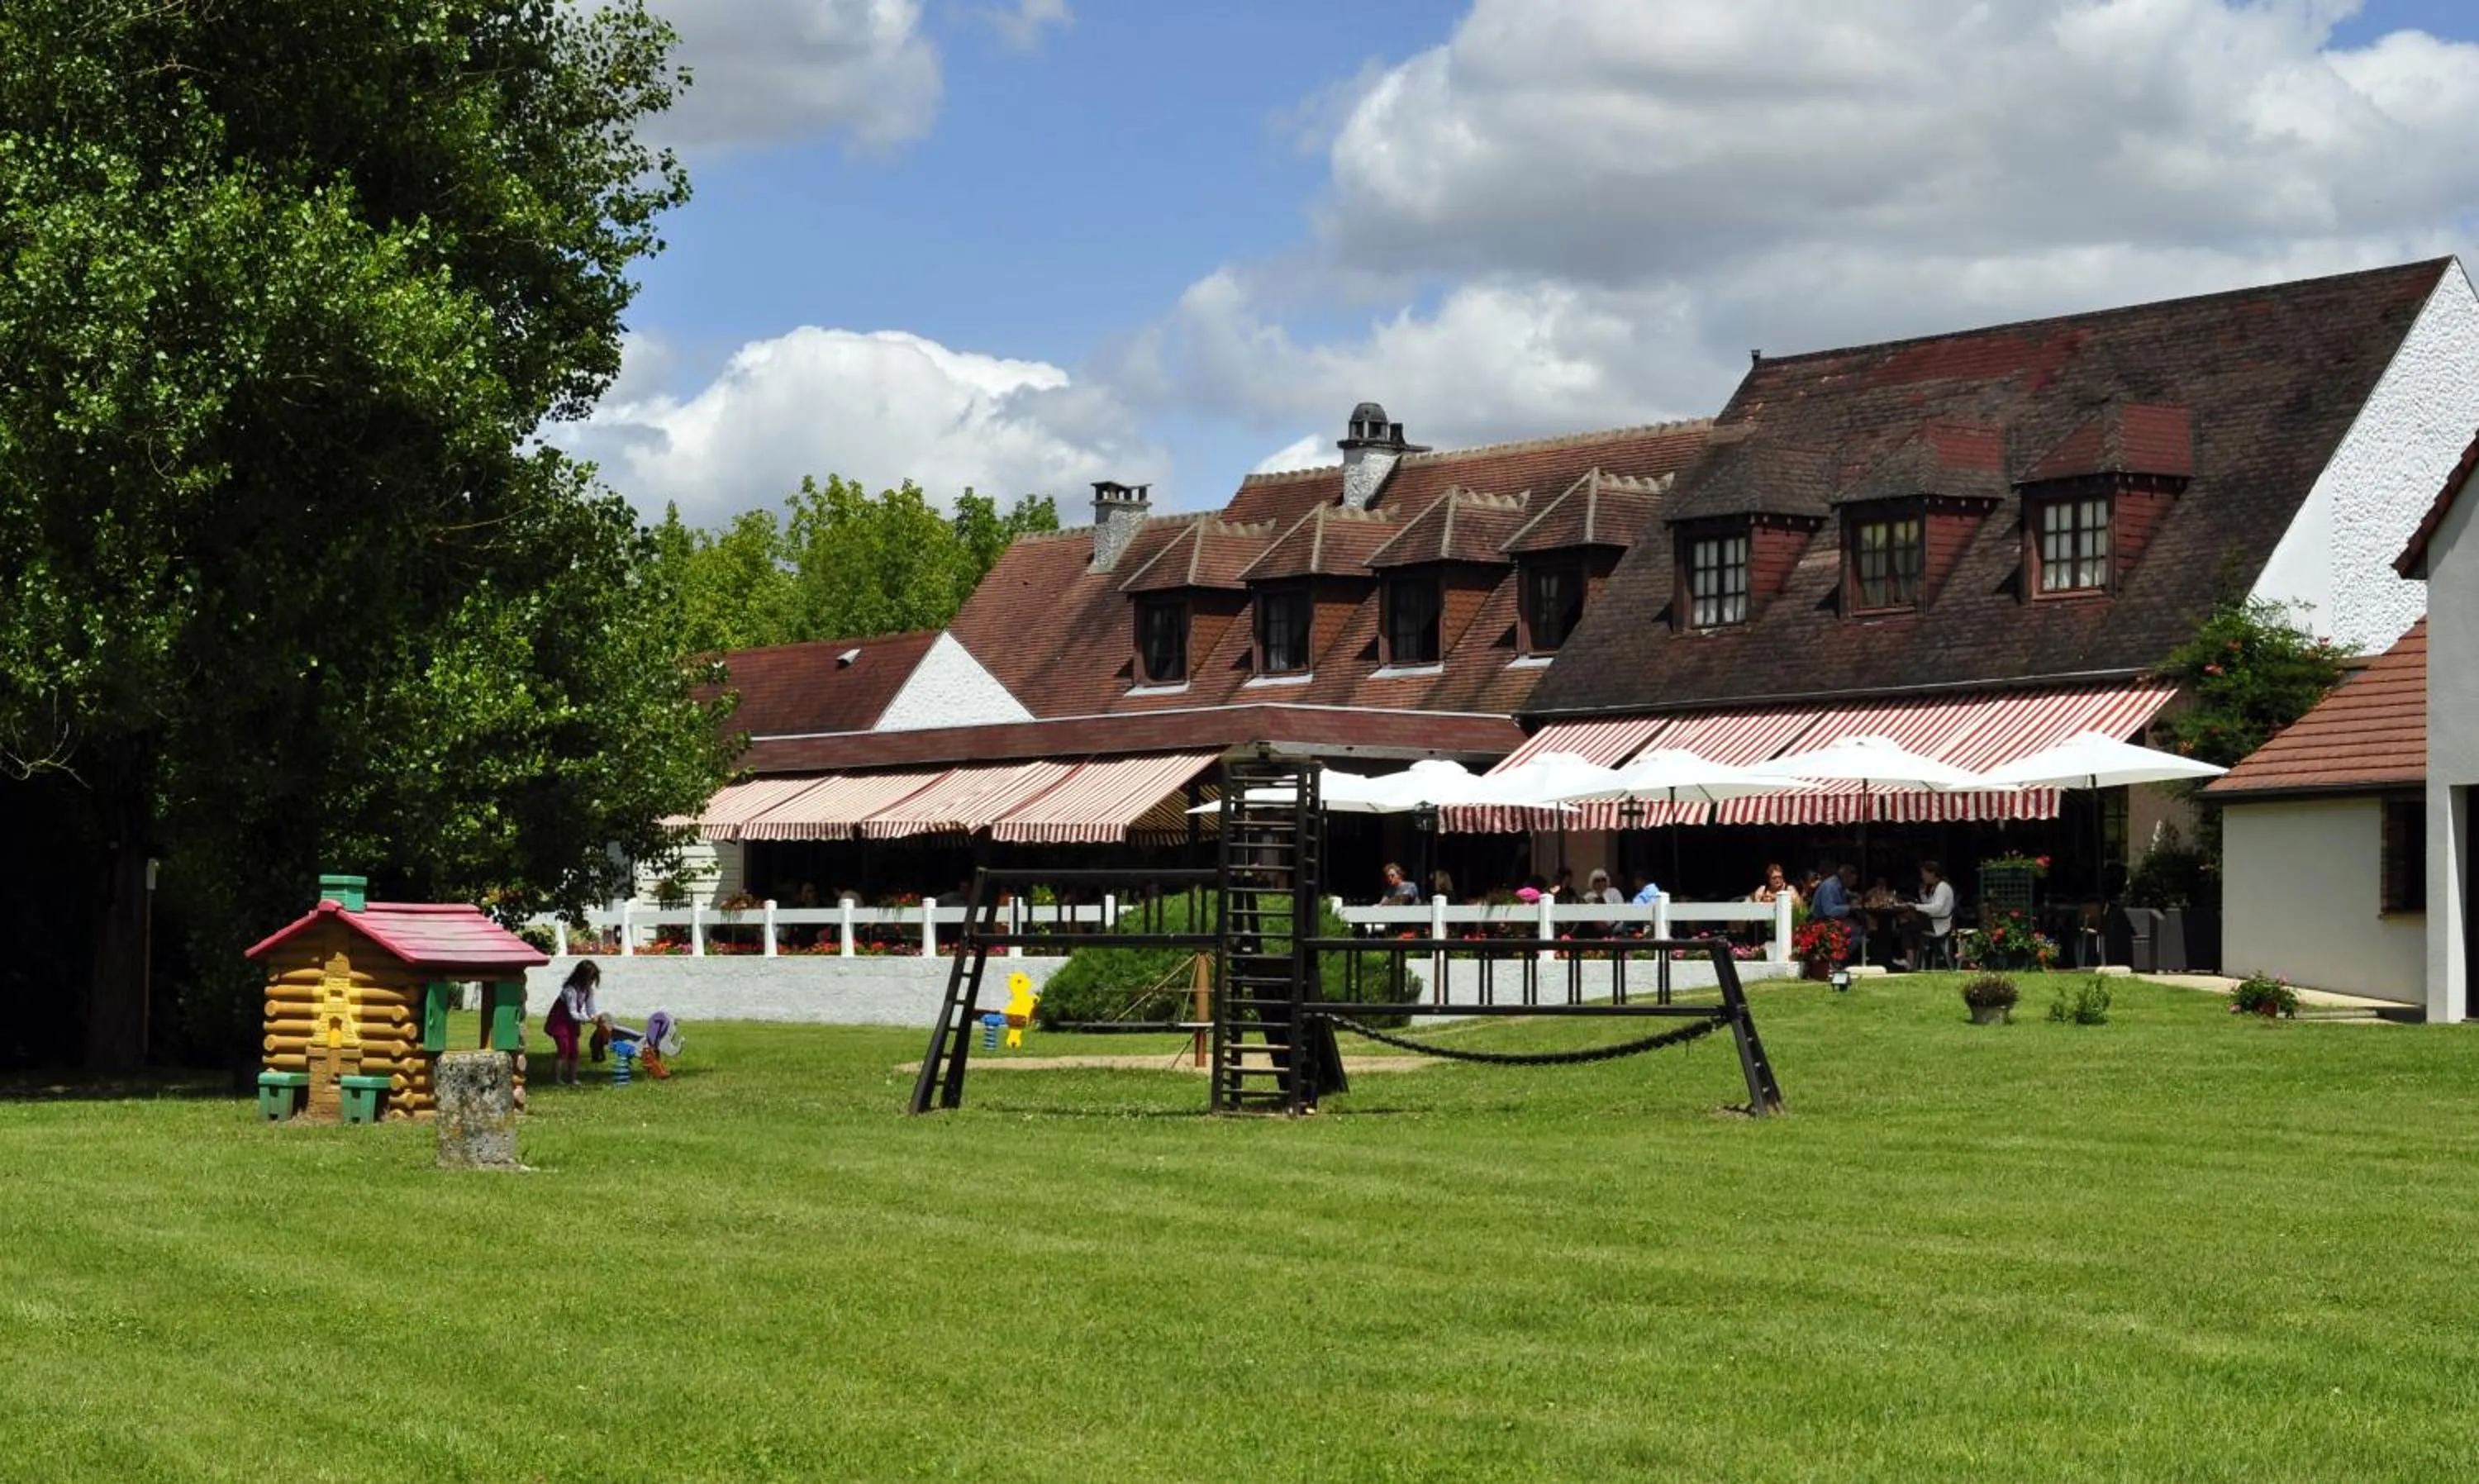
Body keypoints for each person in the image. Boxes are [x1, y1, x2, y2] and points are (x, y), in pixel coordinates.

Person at [544, 960, 612, 1086]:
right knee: (564, 1048)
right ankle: (557, 1078)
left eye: (593, 979)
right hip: (560, 1022)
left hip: (572, 1024)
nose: (591, 982)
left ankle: (573, 1078)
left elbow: (591, 1008)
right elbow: (573, 1013)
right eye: (590, 979)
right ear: (581, 977)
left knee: (574, 1051)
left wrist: (595, 1017)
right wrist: (589, 1019)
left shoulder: (588, 991)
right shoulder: (570, 991)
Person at [1899, 859, 1958, 970]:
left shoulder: (1942, 887)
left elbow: (1936, 908)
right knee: (1907, 920)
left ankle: (1910, 961)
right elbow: (1930, 905)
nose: (1922, 876)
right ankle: (1915, 959)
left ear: (1932, 874)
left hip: (1939, 925)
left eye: (1924, 873)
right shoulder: (1936, 887)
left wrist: (1916, 906)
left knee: (1906, 926)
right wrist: (1922, 894)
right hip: (1936, 921)